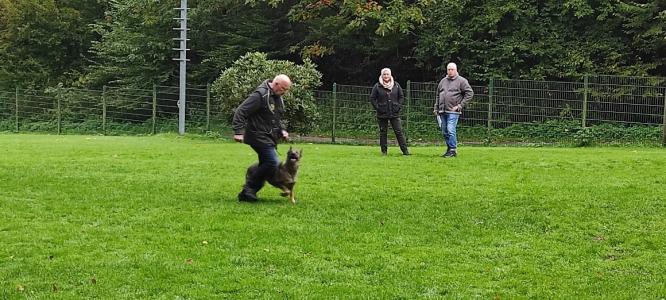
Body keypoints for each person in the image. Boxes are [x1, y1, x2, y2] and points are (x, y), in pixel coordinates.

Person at [232, 74, 292, 202]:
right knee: (272, 162)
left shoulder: (277, 97)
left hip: (269, 137)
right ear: (276, 84)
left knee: (268, 163)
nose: (285, 92)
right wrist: (238, 132)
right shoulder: (260, 95)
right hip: (257, 135)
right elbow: (241, 111)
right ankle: (248, 190)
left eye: (287, 90)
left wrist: (281, 130)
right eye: (283, 89)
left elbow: (275, 118)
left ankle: (250, 184)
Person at [433, 62, 473, 157]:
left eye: (452, 69)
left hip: (453, 111)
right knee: (444, 131)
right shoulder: (442, 81)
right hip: (442, 110)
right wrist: (436, 108)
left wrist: (460, 106)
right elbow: (438, 95)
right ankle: (449, 148)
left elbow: (470, 93)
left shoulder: (462, 81)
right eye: (449, 69)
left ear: (456, 70)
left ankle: (453, 149)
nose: (450, 71)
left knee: (450, 129)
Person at [369, 68, 410, 156]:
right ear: (381, 75)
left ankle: (405, 151)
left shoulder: (396, 85)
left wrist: (398, 106)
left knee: (399, 132)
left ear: (390, 75)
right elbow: (372, 98)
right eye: (384, 74)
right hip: (382, 114)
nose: (386, 76)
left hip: (394, 113)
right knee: (383, 132)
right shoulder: (377, 86)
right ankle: (384, 152)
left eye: (387, 74)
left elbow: (401, 97)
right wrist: (378, 108)